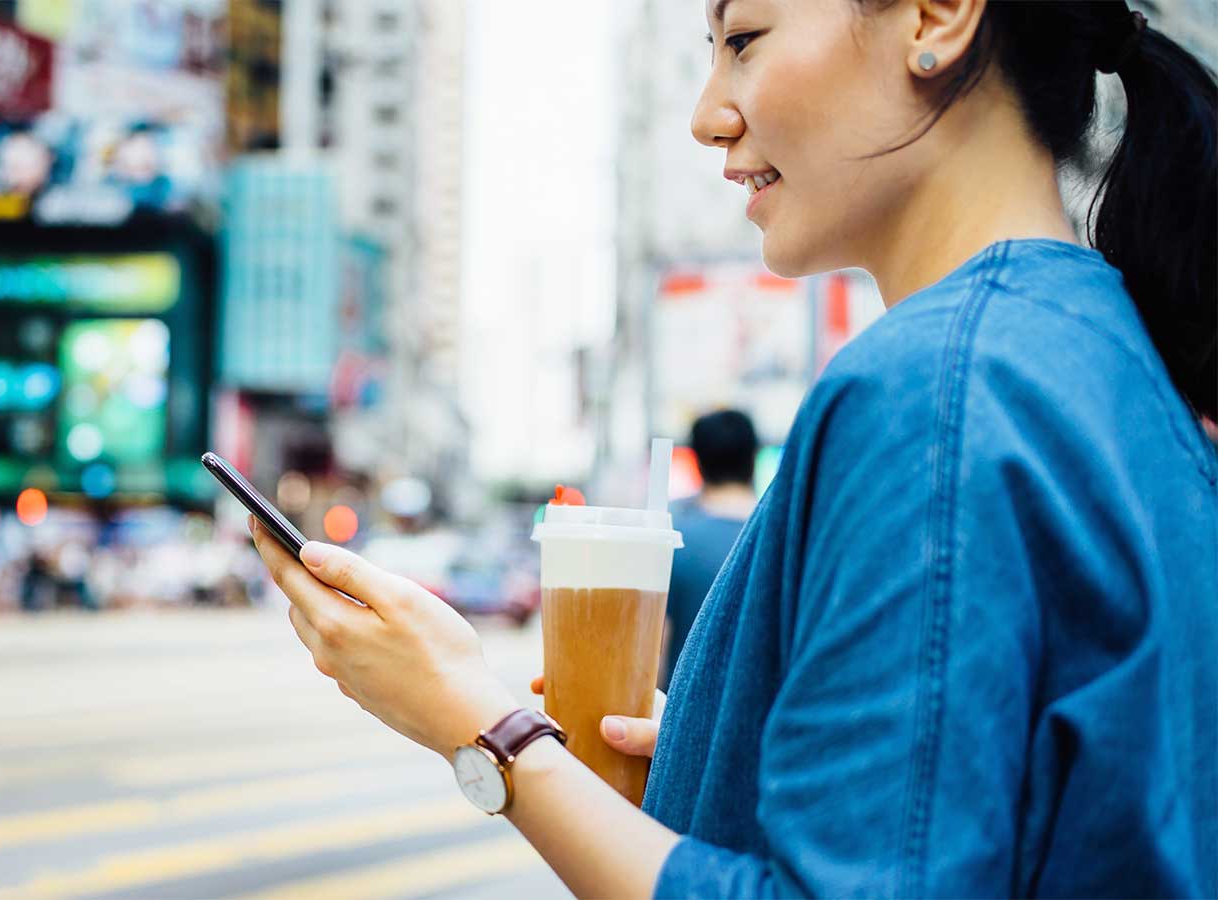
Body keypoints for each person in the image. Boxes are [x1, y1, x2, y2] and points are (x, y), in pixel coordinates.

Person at [247, 1, 1217, 896]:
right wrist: (731, 766)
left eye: (744, 38)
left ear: (934, 16)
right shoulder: (1105, 355)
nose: (708, 115)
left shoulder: (938, 388)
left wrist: (478, 722)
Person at [659, 410, 759, 688]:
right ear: (753, 458)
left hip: (683, 717)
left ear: (698, 462)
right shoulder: (786, 537)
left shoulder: (674, 540)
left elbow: (656, 649)